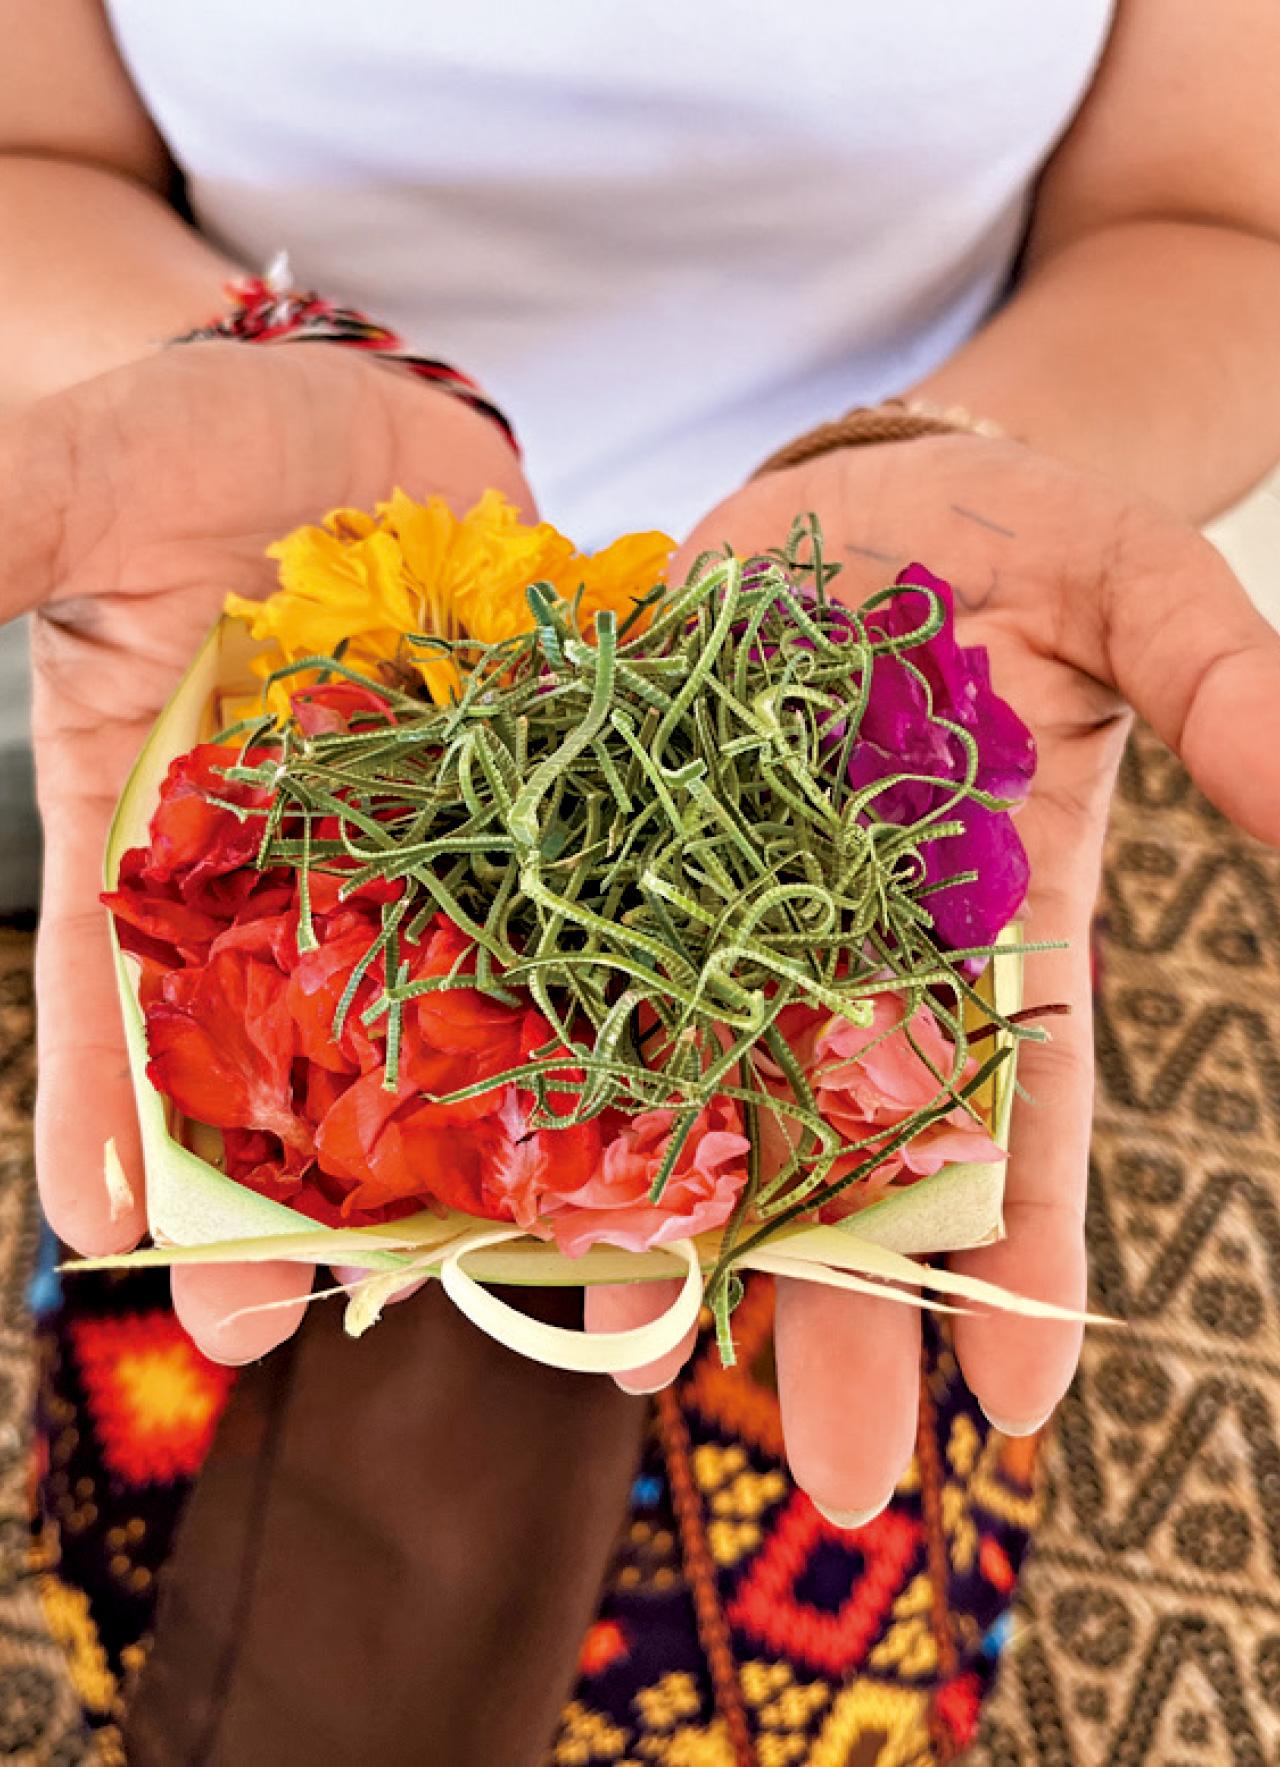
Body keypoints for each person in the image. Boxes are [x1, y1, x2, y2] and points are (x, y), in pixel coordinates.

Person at [3, 1, 1280, 1757]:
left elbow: (1215, 220)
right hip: (314, 691)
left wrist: (961, 457)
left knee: (830, 1515)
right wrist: (250, 355)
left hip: (881, 727)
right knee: (216, 1451)